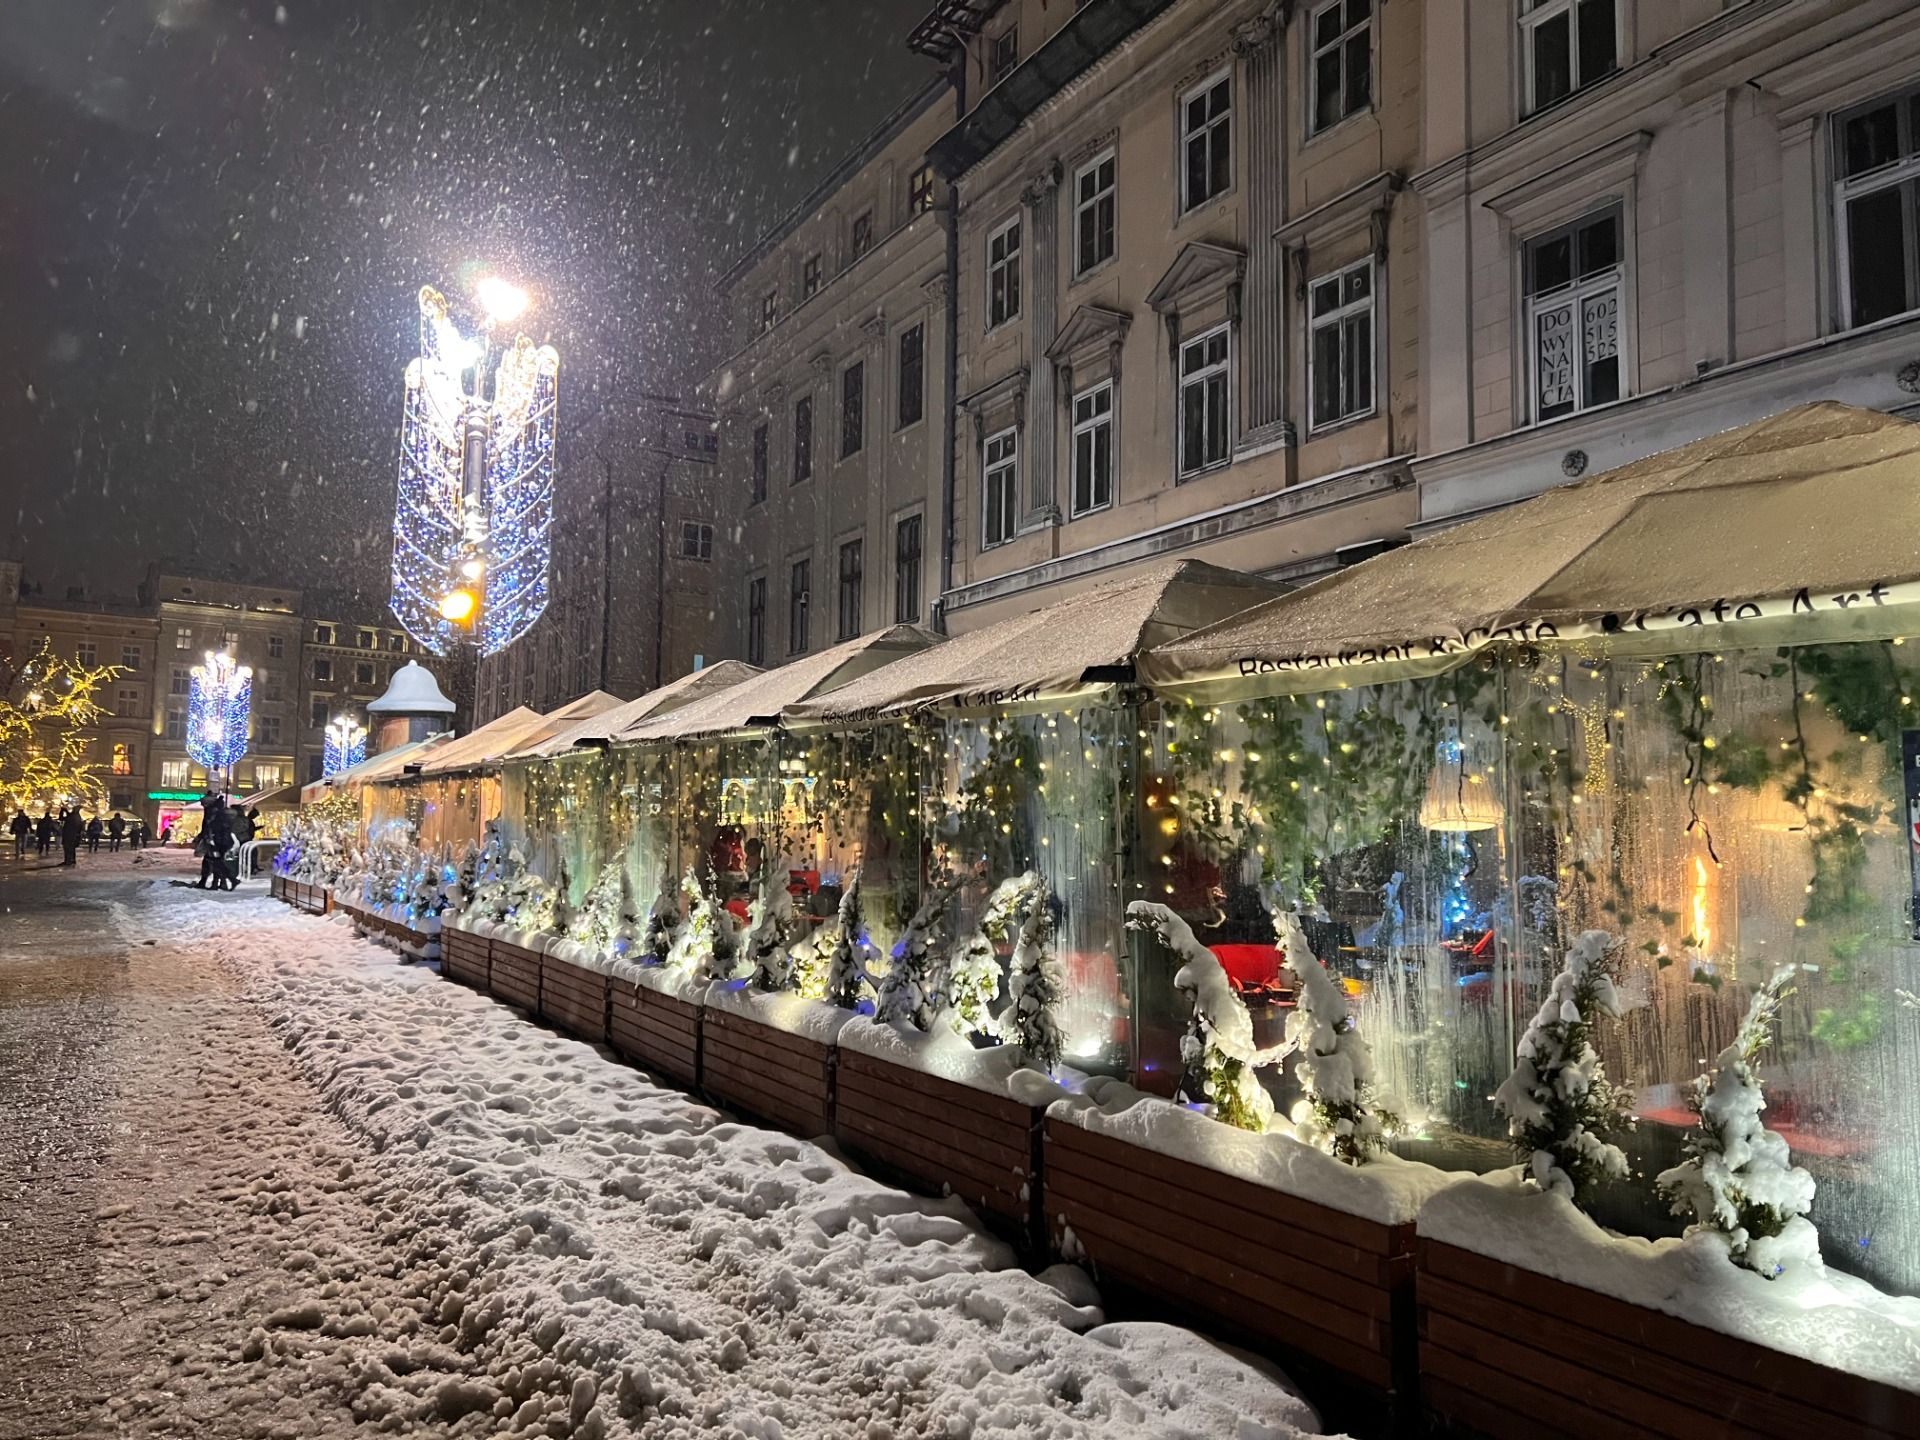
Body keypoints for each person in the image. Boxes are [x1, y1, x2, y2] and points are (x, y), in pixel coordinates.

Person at [196, 796, 234, 890]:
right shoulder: (220, 813)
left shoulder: (214, 813)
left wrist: (207, 837)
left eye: (204, 804)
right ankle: (219, 882)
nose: (203, 806)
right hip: (220, 841)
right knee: (215, 861)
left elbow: (212, 828)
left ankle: (216, 882)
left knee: (214, 861)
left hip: (217, 842)